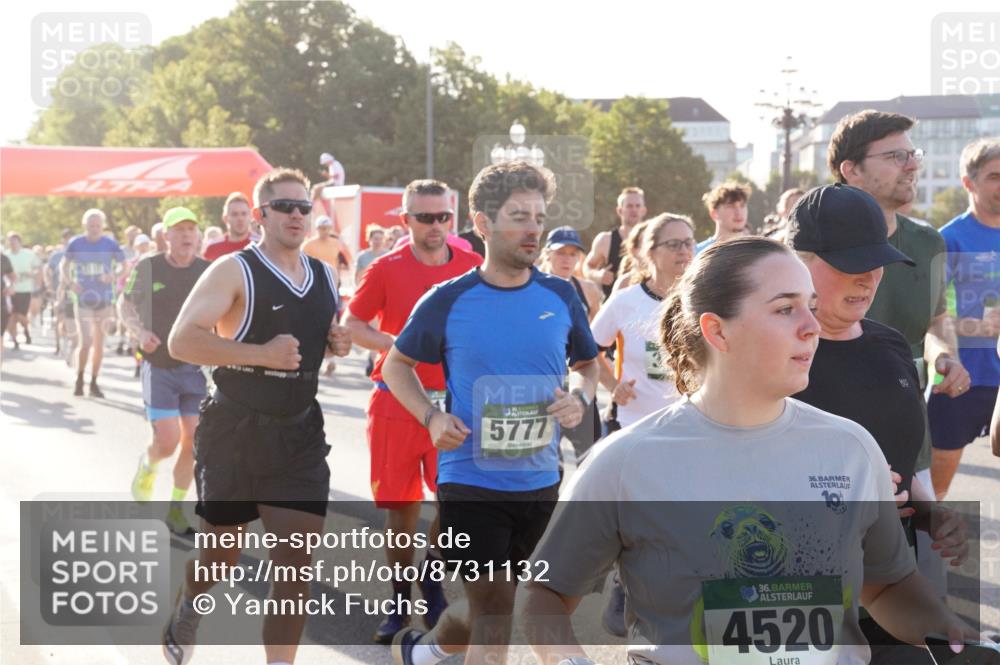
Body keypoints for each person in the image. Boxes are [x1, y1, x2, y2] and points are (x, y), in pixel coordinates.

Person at [519, 236, 979, 665]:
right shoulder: (625, 462)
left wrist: (950, 633)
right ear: (717, 332)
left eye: (811, 307)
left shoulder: (851, 448)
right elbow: (544, 592)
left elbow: (888, 584)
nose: (812, 327)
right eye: (785, 309)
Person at [382, 162, 599, 665]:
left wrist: (581, 396)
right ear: (482, 223)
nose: (532, 228)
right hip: (469, 479)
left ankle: (427, 650)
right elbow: (396, 365)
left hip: (540, 480)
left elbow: (588, 364)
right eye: (519, 216)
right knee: (497, 608)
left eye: (539, 217)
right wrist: (432, 417)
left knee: (491, 605)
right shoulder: (449, 299)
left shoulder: (561, 295)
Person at [162, 167, 351, 665]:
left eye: (303, 207)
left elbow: (320, 336)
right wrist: (260, 354)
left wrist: (338, 342)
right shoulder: (233, 270)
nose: (295, 215)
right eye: (284, 207)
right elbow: (183, 340)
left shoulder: (325, 275)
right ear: (261, 214)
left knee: (294, 565)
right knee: (219, 555)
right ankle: (189, 607)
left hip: (299, 436)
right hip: (234, 432)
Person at [788, 184, 971, 663]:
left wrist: (933, 516)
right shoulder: (775, 357)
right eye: (852, 264)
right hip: (792, 593)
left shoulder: (889, 344)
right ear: (799, 263)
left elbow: (899, 460)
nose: (870, 277)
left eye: (879, 263)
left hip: (892, 585)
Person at [344, 178, 483, 644]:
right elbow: (353, 324)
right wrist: (395, 345)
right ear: (406, 221)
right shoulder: (385, 268)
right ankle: (400, 599)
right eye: (425, 218)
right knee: (402, 510)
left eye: (444, 216)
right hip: (397, 401)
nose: (436, 226)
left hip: (456, 404)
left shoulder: (472, 265)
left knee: (456, 503)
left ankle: (432, 573)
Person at [120, 208, 210, 536]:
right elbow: (125, 303)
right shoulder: (148, 267)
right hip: (159, 366)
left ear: (198, 235)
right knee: (168, 441)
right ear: (166, 236)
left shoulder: (208, 271)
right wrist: (139, 332)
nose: (187, 235)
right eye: (179, 229)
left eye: (191, 229)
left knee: (194, 441)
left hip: (197, 369)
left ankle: (176, 510)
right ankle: (149, 464)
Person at [929, 138, 1000, 499]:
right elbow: (929, 321)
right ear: (968, 182)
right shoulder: (947, 239)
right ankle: (919, 552)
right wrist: (980, 327)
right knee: (933, 491)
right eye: (994, 177)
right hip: (963, 379)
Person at [591, 214, 693, 429]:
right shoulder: (625, 301)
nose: (683, 250)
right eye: (673, 244)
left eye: (688, 242)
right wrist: (613, 386)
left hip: (688, 425)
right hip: (632, 425)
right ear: (651, 252)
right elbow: (587, 351)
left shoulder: (702, 300)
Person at [61, 209, 126, 397]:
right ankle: (80, 377)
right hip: (83, 299)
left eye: (98, 225)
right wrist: (70, 283)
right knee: (86, 342)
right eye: (91, 226)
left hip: (105, 299)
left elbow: (125, 265)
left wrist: (113, 275)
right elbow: (64, 265)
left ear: (102, 226)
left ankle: (94, 382)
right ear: (85, 226)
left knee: (99, 344)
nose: (95, 229)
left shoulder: (110, 244)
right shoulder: (76, 243)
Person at [584, 186, 646, 299]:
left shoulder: (653, 241)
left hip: (645, 309)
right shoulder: (605, 240)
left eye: (638, 206)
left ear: (644, 210)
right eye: (629, 206)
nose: (634, 210)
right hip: (614, 309)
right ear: (620, 210)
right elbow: (587, 266)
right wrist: (598, 275)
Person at [4, 232, 41, 349]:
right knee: (11, 316)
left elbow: (38, 268)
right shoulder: (5, 255)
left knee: (21, 316)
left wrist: (30, 274)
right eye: (10, 241)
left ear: (20, 242)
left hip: (24, 290)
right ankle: (15, 340)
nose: (12, 243)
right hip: (9, 291)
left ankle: (26, 329)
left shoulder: (29, 255)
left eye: (15, 241)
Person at [695, 180, 751, 253]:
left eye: (742, 206)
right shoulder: (697, 253)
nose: (738, 212)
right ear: (714, 214)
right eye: (731, 206)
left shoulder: (759, 252)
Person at [45, 229, 74, 356]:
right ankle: (57, 345)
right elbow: (47, 270)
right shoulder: (56, 255)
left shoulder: (80, 254)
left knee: (71, 321)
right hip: (58, 291)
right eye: (66, 238)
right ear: (63, 239)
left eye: (70, 237)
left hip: (75, 293)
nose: (68, 240)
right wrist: (49, 285)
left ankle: (70, 343)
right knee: (59, 318)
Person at [203, 192, 254, 261]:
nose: (240, 218)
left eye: (244, 214)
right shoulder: (212, 247)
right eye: (235, 214)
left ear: (250, 216)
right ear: (225, 218)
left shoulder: (260, 244)